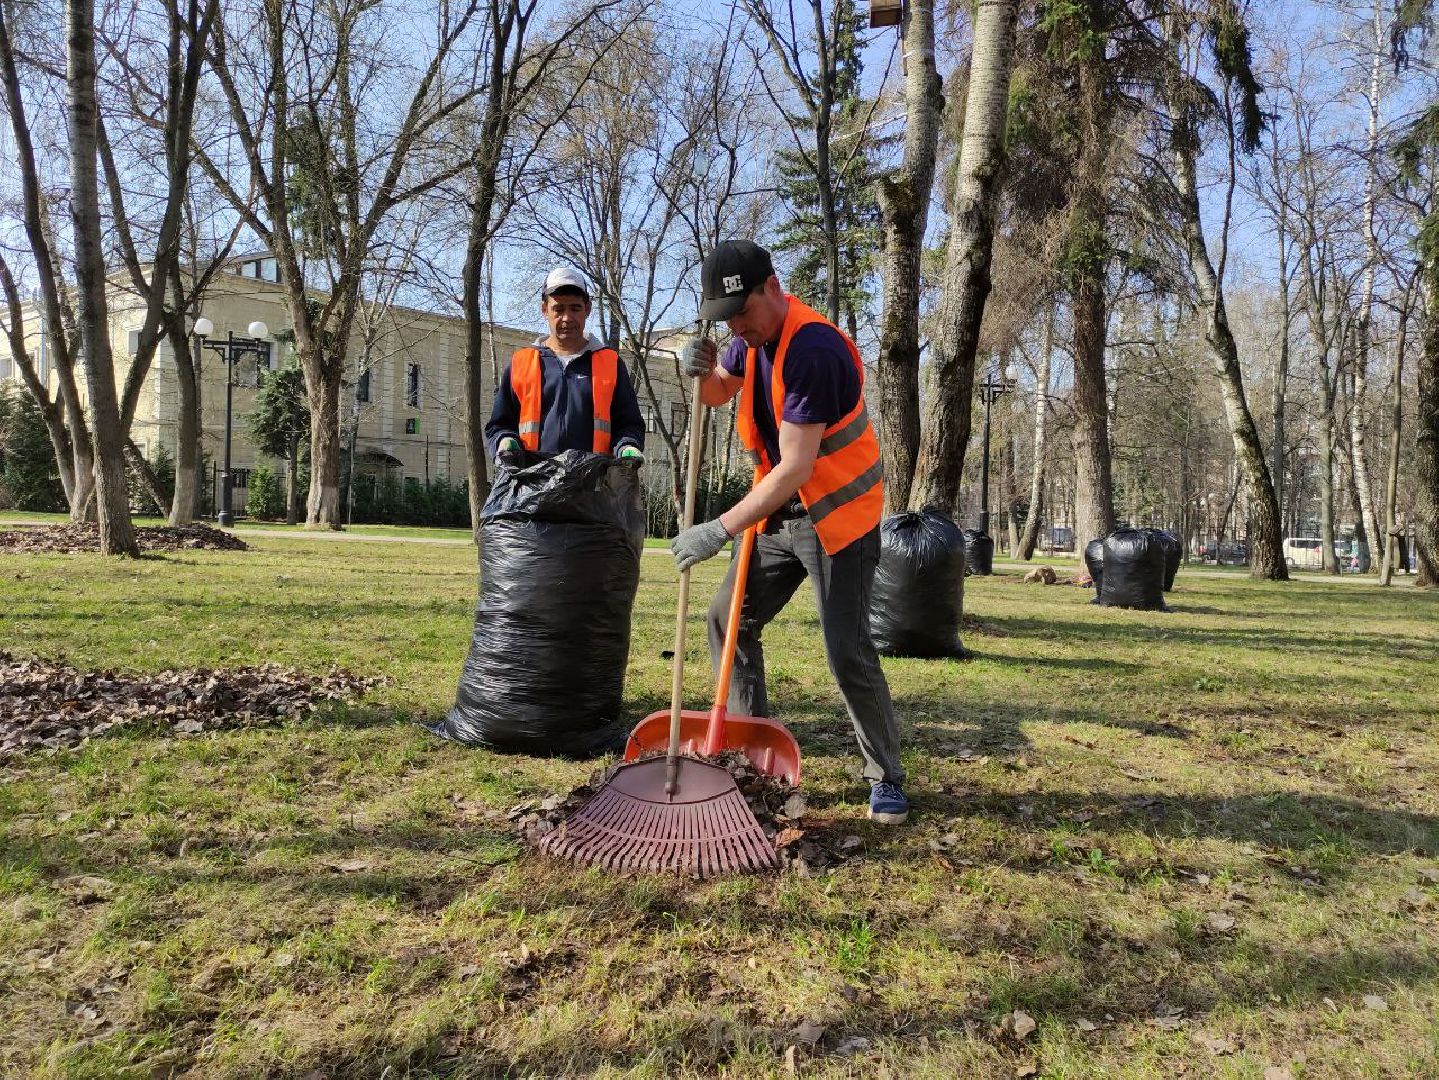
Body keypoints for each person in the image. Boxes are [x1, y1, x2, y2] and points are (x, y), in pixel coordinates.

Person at [670, 240, 908, 824]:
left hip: (837, 516)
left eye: (741, 315)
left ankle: (887, 777)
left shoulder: (814, 350)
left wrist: (720, 528)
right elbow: (717, 392)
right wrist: (694, 368)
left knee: (845, 648)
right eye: (725, 322)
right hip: (780, 515)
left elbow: (797, 466)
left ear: (771, 288)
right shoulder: (749, 336)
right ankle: (753, 752)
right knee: (729, 620)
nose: (736, 330)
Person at [486, 267, 646, 462]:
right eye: (558, 309)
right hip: (534, 483)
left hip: (593, 485)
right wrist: (504, 440)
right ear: (545, 309)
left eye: (575, 308)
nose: (567, 318)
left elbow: (629, 424)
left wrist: (627, 445)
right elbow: (498, 424)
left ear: (587, 309)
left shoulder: (610, 363)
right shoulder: (522, 363)